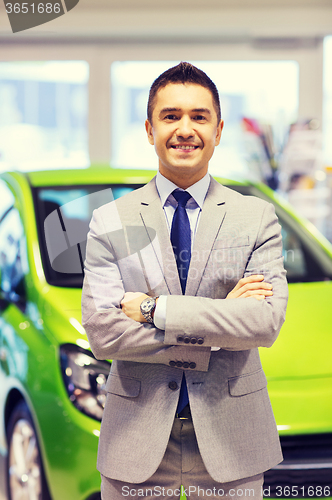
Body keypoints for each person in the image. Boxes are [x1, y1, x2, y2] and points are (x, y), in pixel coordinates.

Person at [82, 62, 288, 500]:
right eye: (170, 116)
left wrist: (154, 310)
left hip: (234, 439)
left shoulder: (256, 218)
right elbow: (102, 334)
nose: (185, 129)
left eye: (199, 116)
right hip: (134, 442)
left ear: (218, 129)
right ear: (149, 128)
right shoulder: (110, 220)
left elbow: (264, 324)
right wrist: (217, 330)